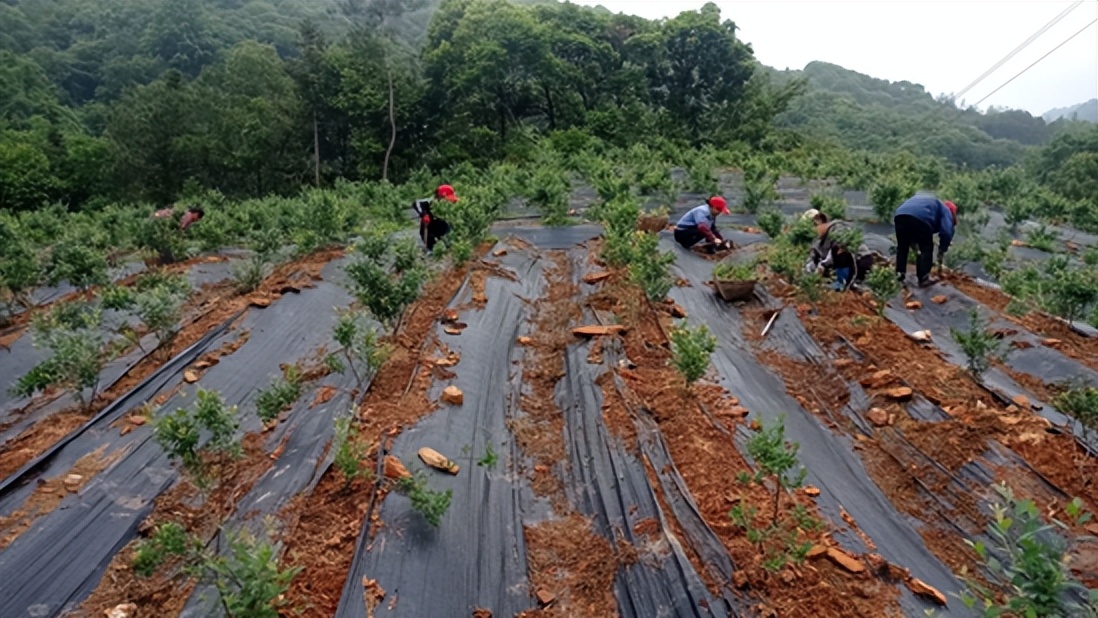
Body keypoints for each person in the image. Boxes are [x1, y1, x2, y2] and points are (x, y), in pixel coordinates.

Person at [893, 194, 956, 287]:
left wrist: (914, 242)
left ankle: (899, 275)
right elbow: (946, 232)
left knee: (902, 247)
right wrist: (942, 248)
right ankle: (923, 279)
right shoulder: (946, 210)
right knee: (926, 248)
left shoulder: (932, 204)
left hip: (900, 214)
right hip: (921, 217)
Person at [806, 213, 875, 290]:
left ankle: (842, 284)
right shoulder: (819, 241)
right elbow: (813, 257)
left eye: (813, 227)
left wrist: (823, 265)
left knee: (839, 250)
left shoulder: (838, 229)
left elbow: (842, 249)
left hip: (860, 261)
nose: (812, 232)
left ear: (820, 222)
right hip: (844, 266)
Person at [413, 184, 459, 252]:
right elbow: (416, 203)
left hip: (445, 232)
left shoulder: (451, 205)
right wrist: (424, 214)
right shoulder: (430, 202)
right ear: (440, 197)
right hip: (430, 233)